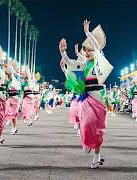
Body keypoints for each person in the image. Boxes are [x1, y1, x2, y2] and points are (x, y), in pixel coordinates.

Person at [60, 19, 113, 169]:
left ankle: (96, 157)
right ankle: (89, 143)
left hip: (98, 98)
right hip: (85, 99)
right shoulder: (83, 65)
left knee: (98, 129)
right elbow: (70, 63)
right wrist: (63, 52)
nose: (88, 52)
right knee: (86, 125)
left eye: (90, 50)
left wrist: (87, 33)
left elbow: (97, 47)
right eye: (86, 50)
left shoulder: (99, 62)